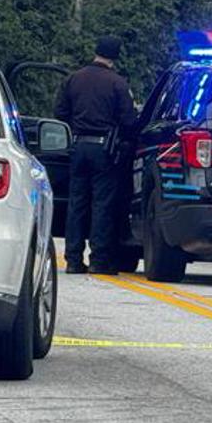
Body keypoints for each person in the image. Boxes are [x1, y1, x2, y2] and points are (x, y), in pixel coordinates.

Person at [54, 35, 138, 275]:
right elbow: (129, 120)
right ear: (116, 56)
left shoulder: (74, 78)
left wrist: (78, 124)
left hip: (78, 146)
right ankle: (99, 259)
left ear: (96, 51)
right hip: (104, 149)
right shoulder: (118, 83)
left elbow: (60, 112)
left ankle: (72, 260)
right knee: (102, 204)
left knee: (76, 204)